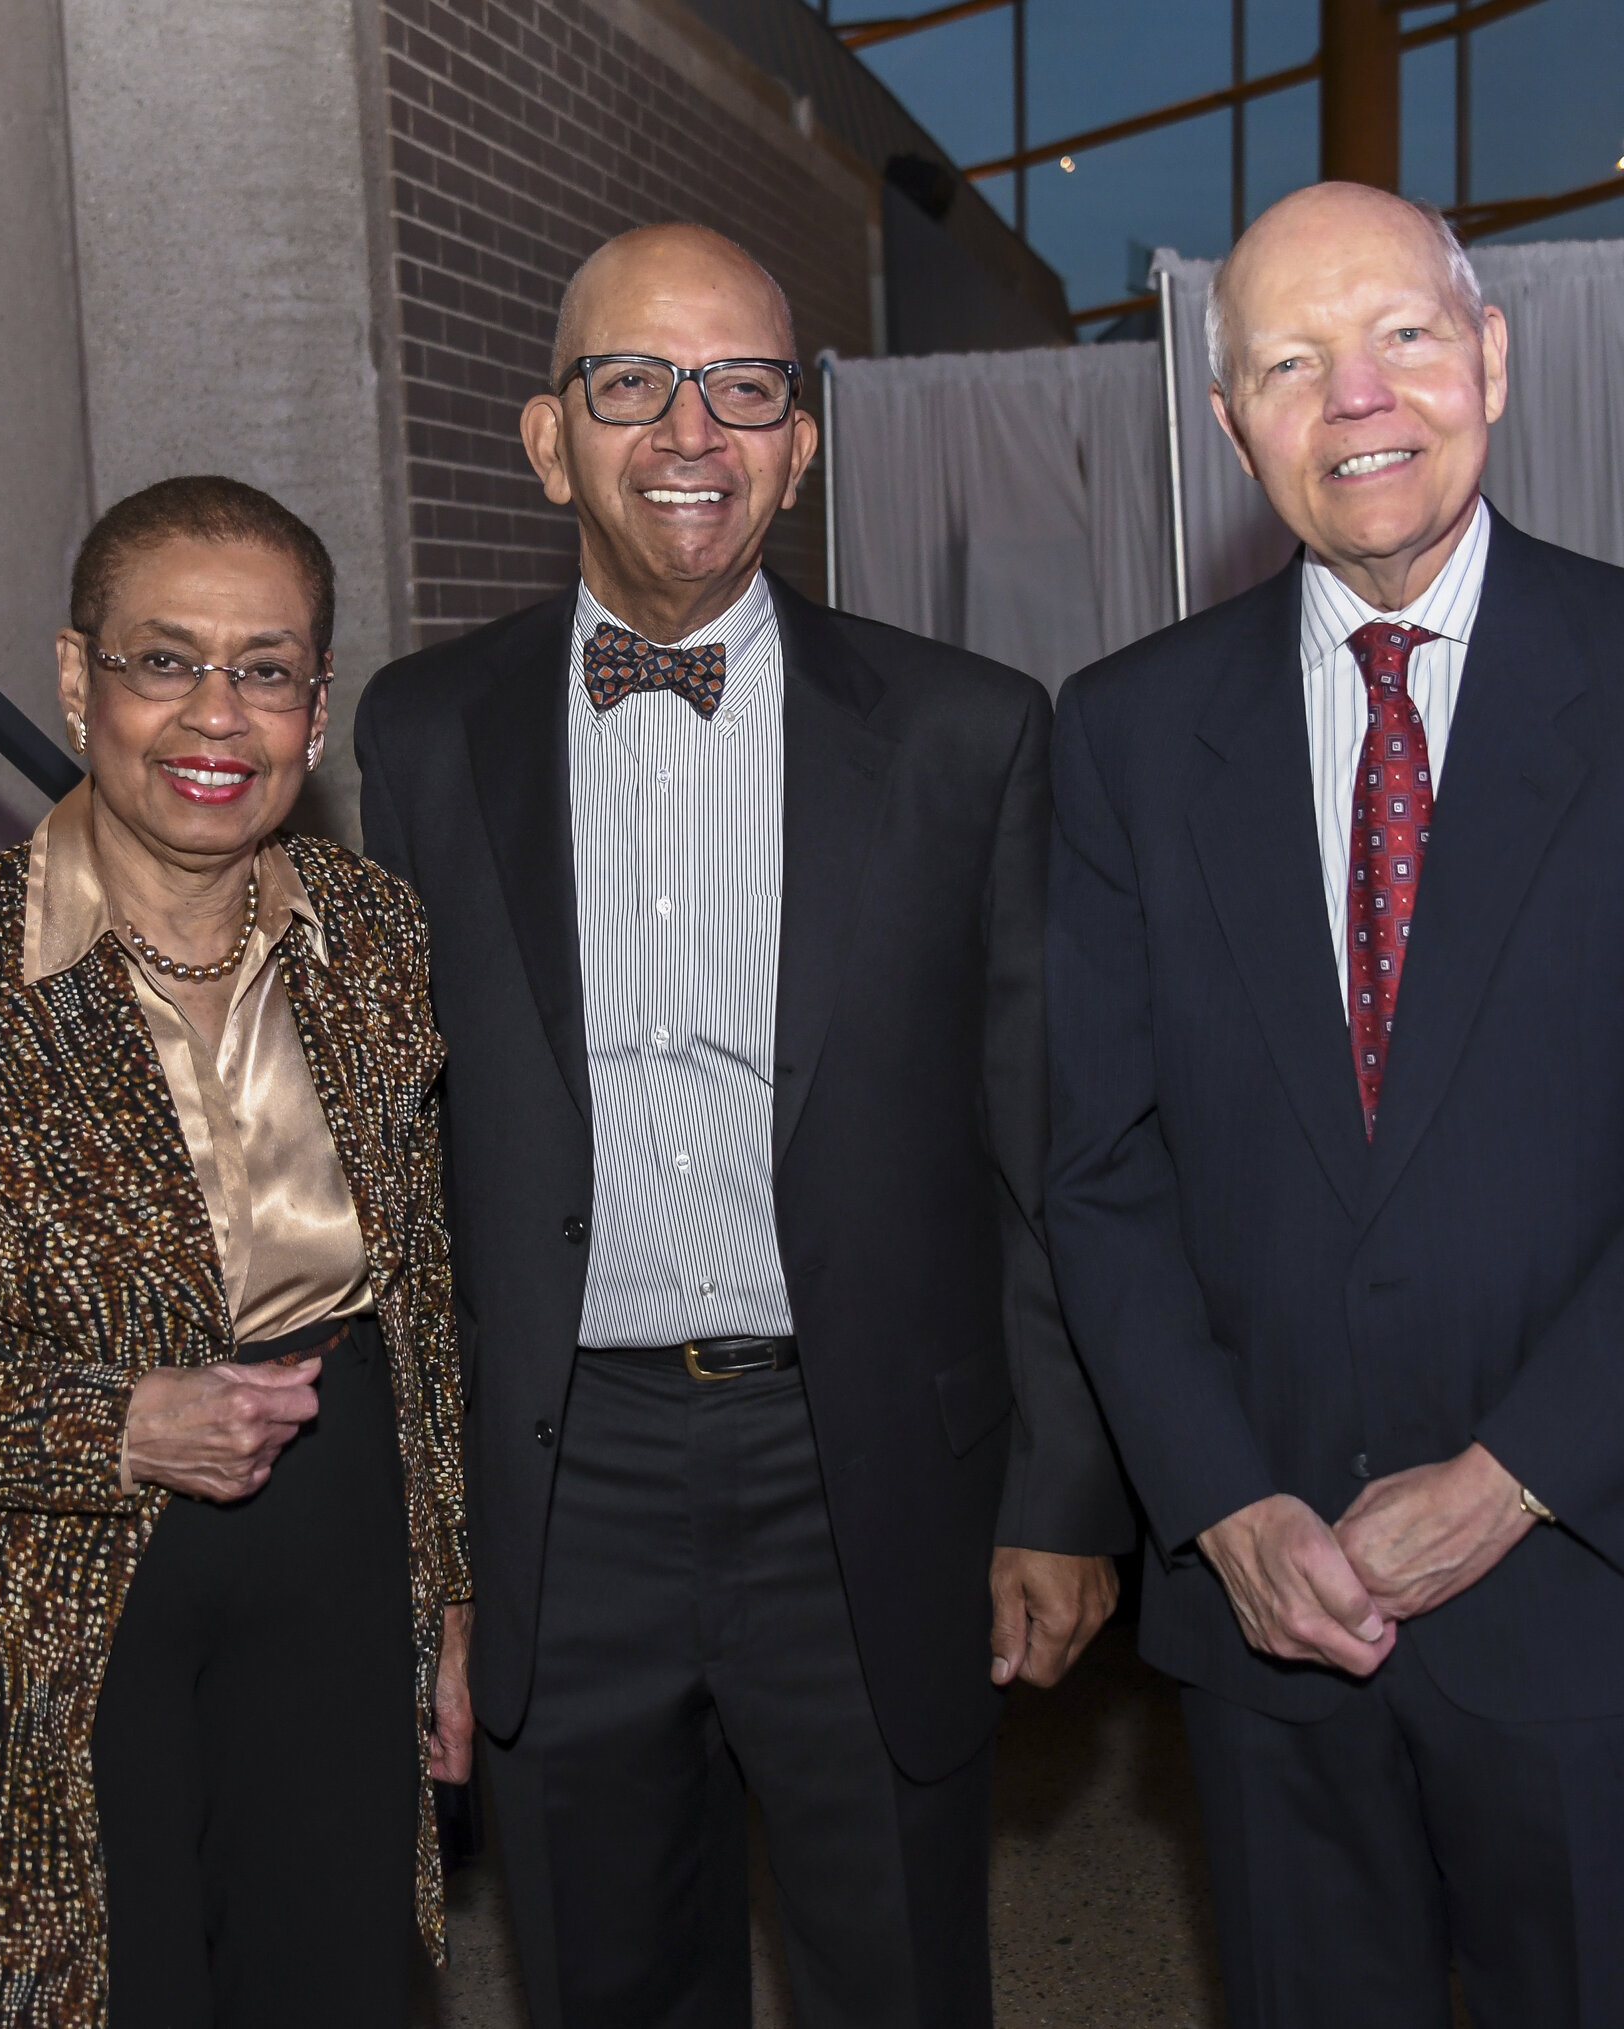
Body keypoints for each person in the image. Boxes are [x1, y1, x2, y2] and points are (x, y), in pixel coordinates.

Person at [1043, 181, 1624, 2028]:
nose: (1358, 398)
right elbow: (1096, 1165)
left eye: (1403, 334)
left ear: (1490, 357)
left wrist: (1509, 1480)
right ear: (1231, 422)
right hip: (1267, 1607)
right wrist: (1224, 1496)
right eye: (1292, 363)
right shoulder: (1127, 732)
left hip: (1579, 1579)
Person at [354, 224, 1130, 2029]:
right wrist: (425, 1551)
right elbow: (394, 1168)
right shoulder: (423, 731)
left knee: (903, 1974)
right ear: (550, 440)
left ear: (800, 442)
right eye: (632, 381)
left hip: (864, 1469)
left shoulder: (968, 733)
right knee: (605, 1982)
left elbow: (1047, 1146)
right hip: (563, 1480)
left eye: (743, 386)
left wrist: (1061, 1493)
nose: (688, 429)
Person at [0, 477, 472, 2027]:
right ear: (79, 678)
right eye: (167, 661)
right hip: (44, 1587)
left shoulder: (378, 935)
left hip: (339, 1543)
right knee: (88, 1986)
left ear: (317, 705)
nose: (217, 715)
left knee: (339, 1980)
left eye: (266, 669)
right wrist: (113, 1423)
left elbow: (424, 1300)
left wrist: (450, 1593)